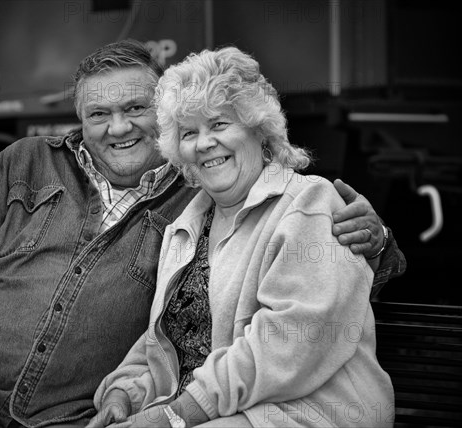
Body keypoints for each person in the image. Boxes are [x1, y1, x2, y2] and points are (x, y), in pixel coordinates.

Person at [0, 40, 403, 428]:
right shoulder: (26, 164)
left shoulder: (196, 196)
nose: (117, 127)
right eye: (99, 113)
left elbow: (313, 292)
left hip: (70, 417)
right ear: (79, 119)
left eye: (135, 109)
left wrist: (376, 243)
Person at [88, 46, 396, 428]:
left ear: (258, 128)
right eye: (189, 132)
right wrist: (124, 394)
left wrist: (177, 416)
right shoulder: (185, 227)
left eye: (218, 124)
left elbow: (289, 342)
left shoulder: (308, 204)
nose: (203, 144)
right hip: (221, 412)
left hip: (305, 413)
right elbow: (167, 343)